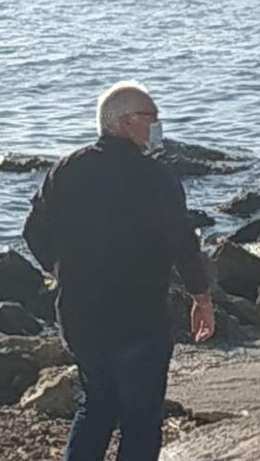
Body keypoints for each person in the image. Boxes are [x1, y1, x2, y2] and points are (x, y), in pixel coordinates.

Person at [22, 80, 215, 461]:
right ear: (126, 122)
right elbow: (182, 242)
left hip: (80, 313)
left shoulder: (67, 169)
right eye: (151, 117)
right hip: (138, 314)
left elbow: (34, 231)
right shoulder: (156, 177)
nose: (157, 125)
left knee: (96, 406)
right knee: (141, 418)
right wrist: (202, 297)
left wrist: (62, 270)